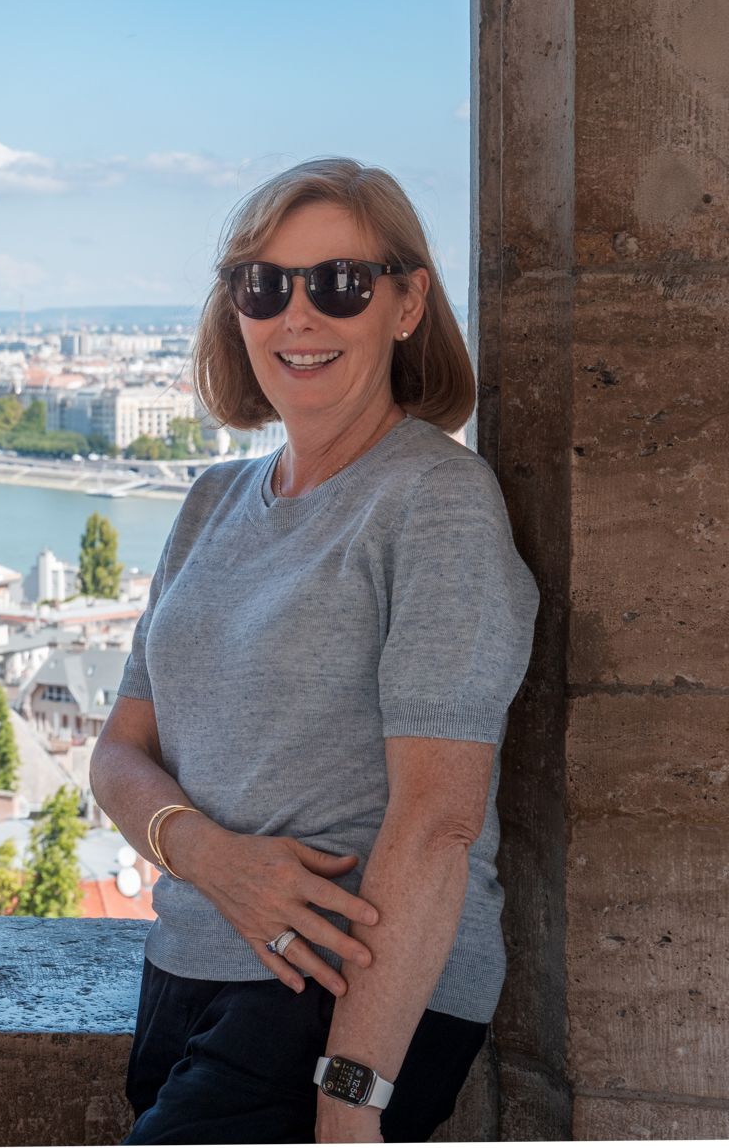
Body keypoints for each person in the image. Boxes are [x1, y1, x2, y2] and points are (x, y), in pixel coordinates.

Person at [90, 158, 538, 1143]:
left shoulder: (433, 501)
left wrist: (350, 1096)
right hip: (188, 970)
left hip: (341, 995)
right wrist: (209, 856)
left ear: (408, 301)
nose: (298, 317)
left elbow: (435, 823)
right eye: (263, 284)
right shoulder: (212, 501)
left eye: (340, 284)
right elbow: (120, 750)